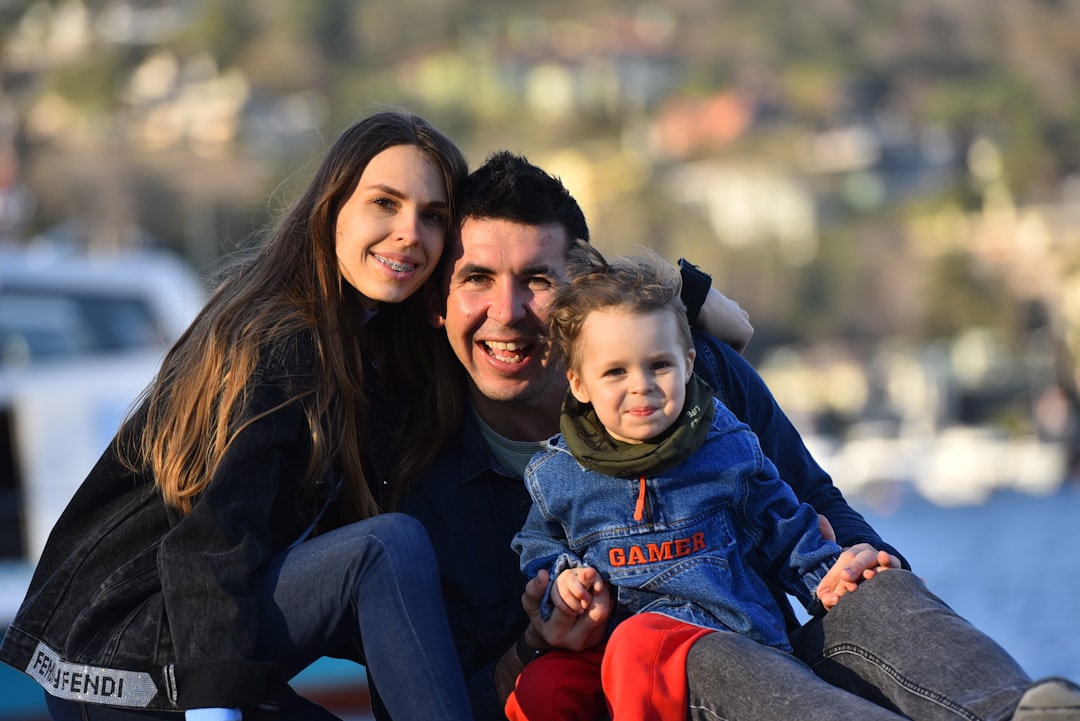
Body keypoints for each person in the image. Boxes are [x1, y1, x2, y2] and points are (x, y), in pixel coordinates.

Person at [388, 150, 1080, 721]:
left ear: (581, 293)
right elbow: (434, 702)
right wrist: (535, 640)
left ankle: (1016, 711)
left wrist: (855, 570)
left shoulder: (706, 381)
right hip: (636, 682)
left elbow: (813, 504)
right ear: (438, 302)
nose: (507, 311)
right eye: (477, 278)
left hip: (771, 665)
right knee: (690, 651)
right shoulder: (420, 476)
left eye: (538, 280)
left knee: (876, 586)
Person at [0, 110, 475, 720]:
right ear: (331, 209)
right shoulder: (281, 338)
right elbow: (213, 531)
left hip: (189, 649)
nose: (409, 232)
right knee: (387, 546)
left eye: (433, 216)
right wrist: (215, 709)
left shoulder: (365, 350)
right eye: (385, 203)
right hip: (134, 659)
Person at [506, 245, 848, 721]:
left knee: (638, 643)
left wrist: (826, 578)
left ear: (687, 364)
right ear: (579, 384)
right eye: (615, 371)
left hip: (723, 639)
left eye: (658, 365)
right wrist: (563, 581)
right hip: (608, 647)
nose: (641, 385)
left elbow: (783, 526)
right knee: (541, 688)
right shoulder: (557, 472)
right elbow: (538, 546)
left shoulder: (726, 445)